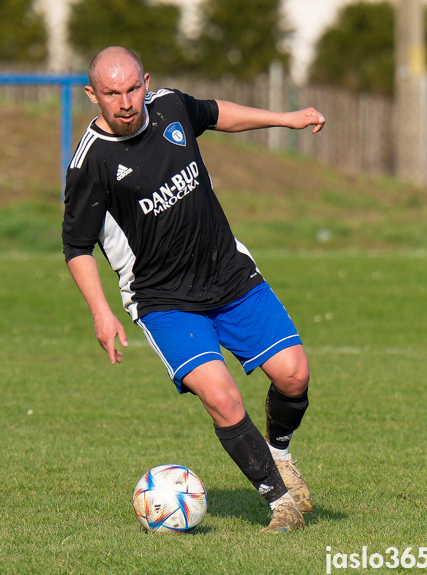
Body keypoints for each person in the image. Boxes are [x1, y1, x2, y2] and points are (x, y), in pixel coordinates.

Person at [61, 46, 325, 534]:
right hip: (165, 300)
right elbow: (76, 246)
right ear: (92, 95)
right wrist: (101, 311)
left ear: (147, 81)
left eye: (133, 88)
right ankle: (280, 503)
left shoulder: (171, 108)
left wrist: (286, 119)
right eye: (112, 93)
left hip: (226, 271)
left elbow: (218, 113)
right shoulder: (90, 164)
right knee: (223, 398)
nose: (126, 102)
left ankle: (279, 453)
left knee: (293, 375)